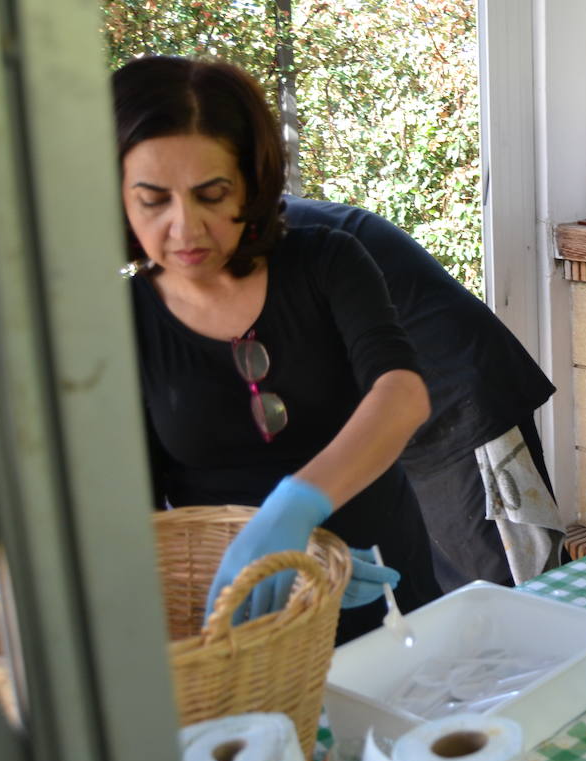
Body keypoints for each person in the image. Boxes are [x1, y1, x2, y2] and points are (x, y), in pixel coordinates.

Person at [115, 56, 442, 644]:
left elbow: (401, 394)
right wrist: (257, 561)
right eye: (153, 200)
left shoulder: (328, 262)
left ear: (252, 182)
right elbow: (138, 516)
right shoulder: (120, 321)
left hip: (385, 584)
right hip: (243, 614)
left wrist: (294, 507)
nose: (185, 228)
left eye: (212, 195)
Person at [283, 197, 562, 590]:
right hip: (414, 406)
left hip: (458, 398)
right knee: (437, 580)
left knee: (506, 581)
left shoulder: (286, 241)